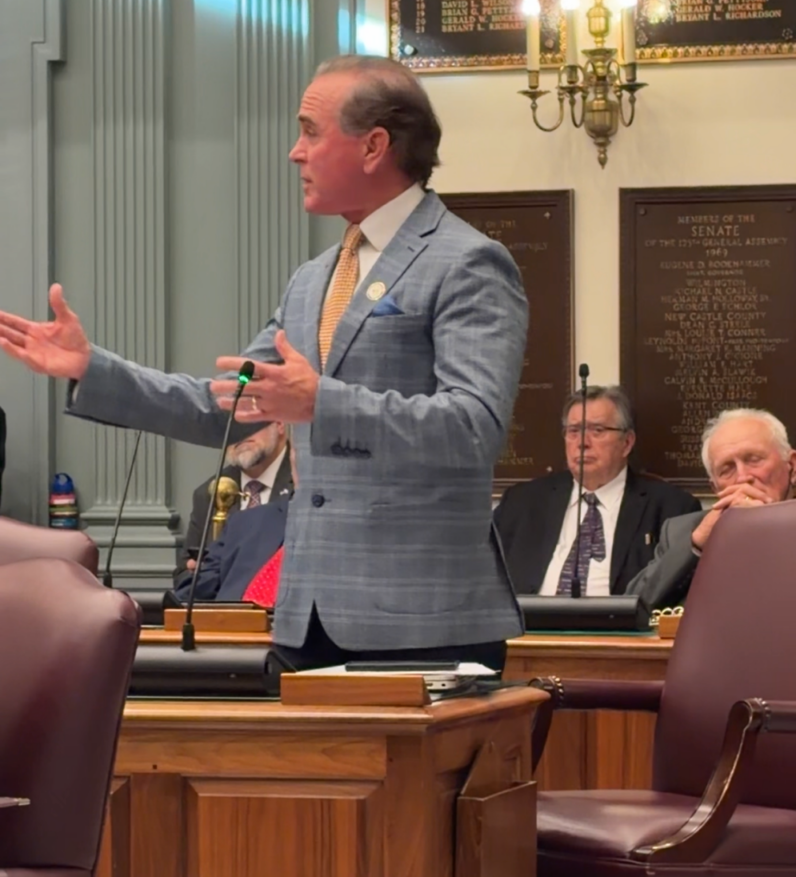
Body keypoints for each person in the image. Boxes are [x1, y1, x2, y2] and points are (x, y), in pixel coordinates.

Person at [0, 54, 528, 671]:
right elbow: (220, 407)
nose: (294, 152)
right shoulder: (312, 281)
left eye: (310, 130)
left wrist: (321, 402)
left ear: (374, 146)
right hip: (306, 615)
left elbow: (474, 426)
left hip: (425, 621)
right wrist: (91, 369)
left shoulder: (468, 262)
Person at [494, 386, 700, 596]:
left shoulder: (671, 508)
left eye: (597, 431)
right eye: (573, 431)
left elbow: (676, 591)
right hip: (530, 627)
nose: (582, 443)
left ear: (627, 443)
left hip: (622, 627)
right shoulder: (521, 503)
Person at [626, 408, 796, 609]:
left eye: (754, 459)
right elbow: (634, 606)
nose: (742, 477)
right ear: (716, 488)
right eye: (727, 469)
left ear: (792, 466)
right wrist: (697, 544)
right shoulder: (682, 532)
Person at [174, 422, 292, 586]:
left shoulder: (307, 485)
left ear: (279, 424)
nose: (240, 434)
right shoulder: (210, 493)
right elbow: (182, 575)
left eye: (249, 421)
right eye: (230, 425)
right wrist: (198, 575)